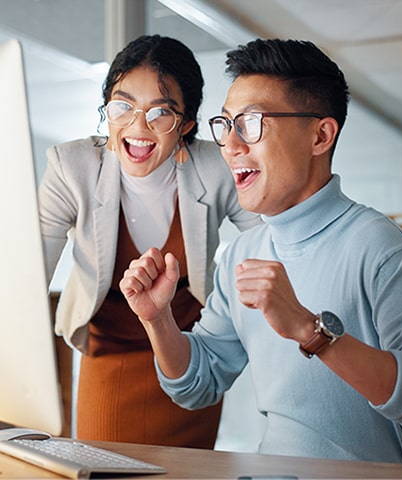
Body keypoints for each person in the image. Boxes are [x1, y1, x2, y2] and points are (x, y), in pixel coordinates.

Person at [120, 38, 402, 463]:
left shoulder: (380, 246)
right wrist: (157, 319)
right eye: (226, 124)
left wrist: (311, 331)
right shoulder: (243, 253)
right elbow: (198, 384)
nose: (231, 146)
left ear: (320, 135)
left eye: (251, 122)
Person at [39, 34, 261, 447]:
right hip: (110, 351)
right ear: (107, 109)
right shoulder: (72, 167)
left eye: (161, 113)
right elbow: (29, 274)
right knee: (101, 466)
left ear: (187, 125)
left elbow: (268, 244)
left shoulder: (215, 167)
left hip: (189, 351)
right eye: (123, 106)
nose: (138, 127)